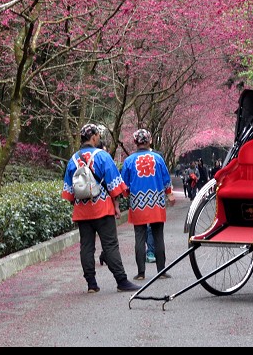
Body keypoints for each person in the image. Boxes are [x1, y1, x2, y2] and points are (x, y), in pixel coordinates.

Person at [62, 123, 140, 293]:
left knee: (87, 246)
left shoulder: (72, 160)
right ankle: (121, 280)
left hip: (82, 212)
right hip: (102, 209)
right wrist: (116, 205)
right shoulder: (103, 156)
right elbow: (115, 185)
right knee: (110, 244)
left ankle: (91, 284)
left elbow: (68, 193)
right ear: (94, 137)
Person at [120, 128, 175, 280]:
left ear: (135, 142)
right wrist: (169, 195)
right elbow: (166, 180)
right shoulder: (158, 158)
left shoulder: (129, 161)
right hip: (156, 202)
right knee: (158, 236)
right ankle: (161, 271)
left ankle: (141, 273)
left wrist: (126, 196)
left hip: (138, 203)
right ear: (149, 141)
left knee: (139, 237)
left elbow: (124, 185)